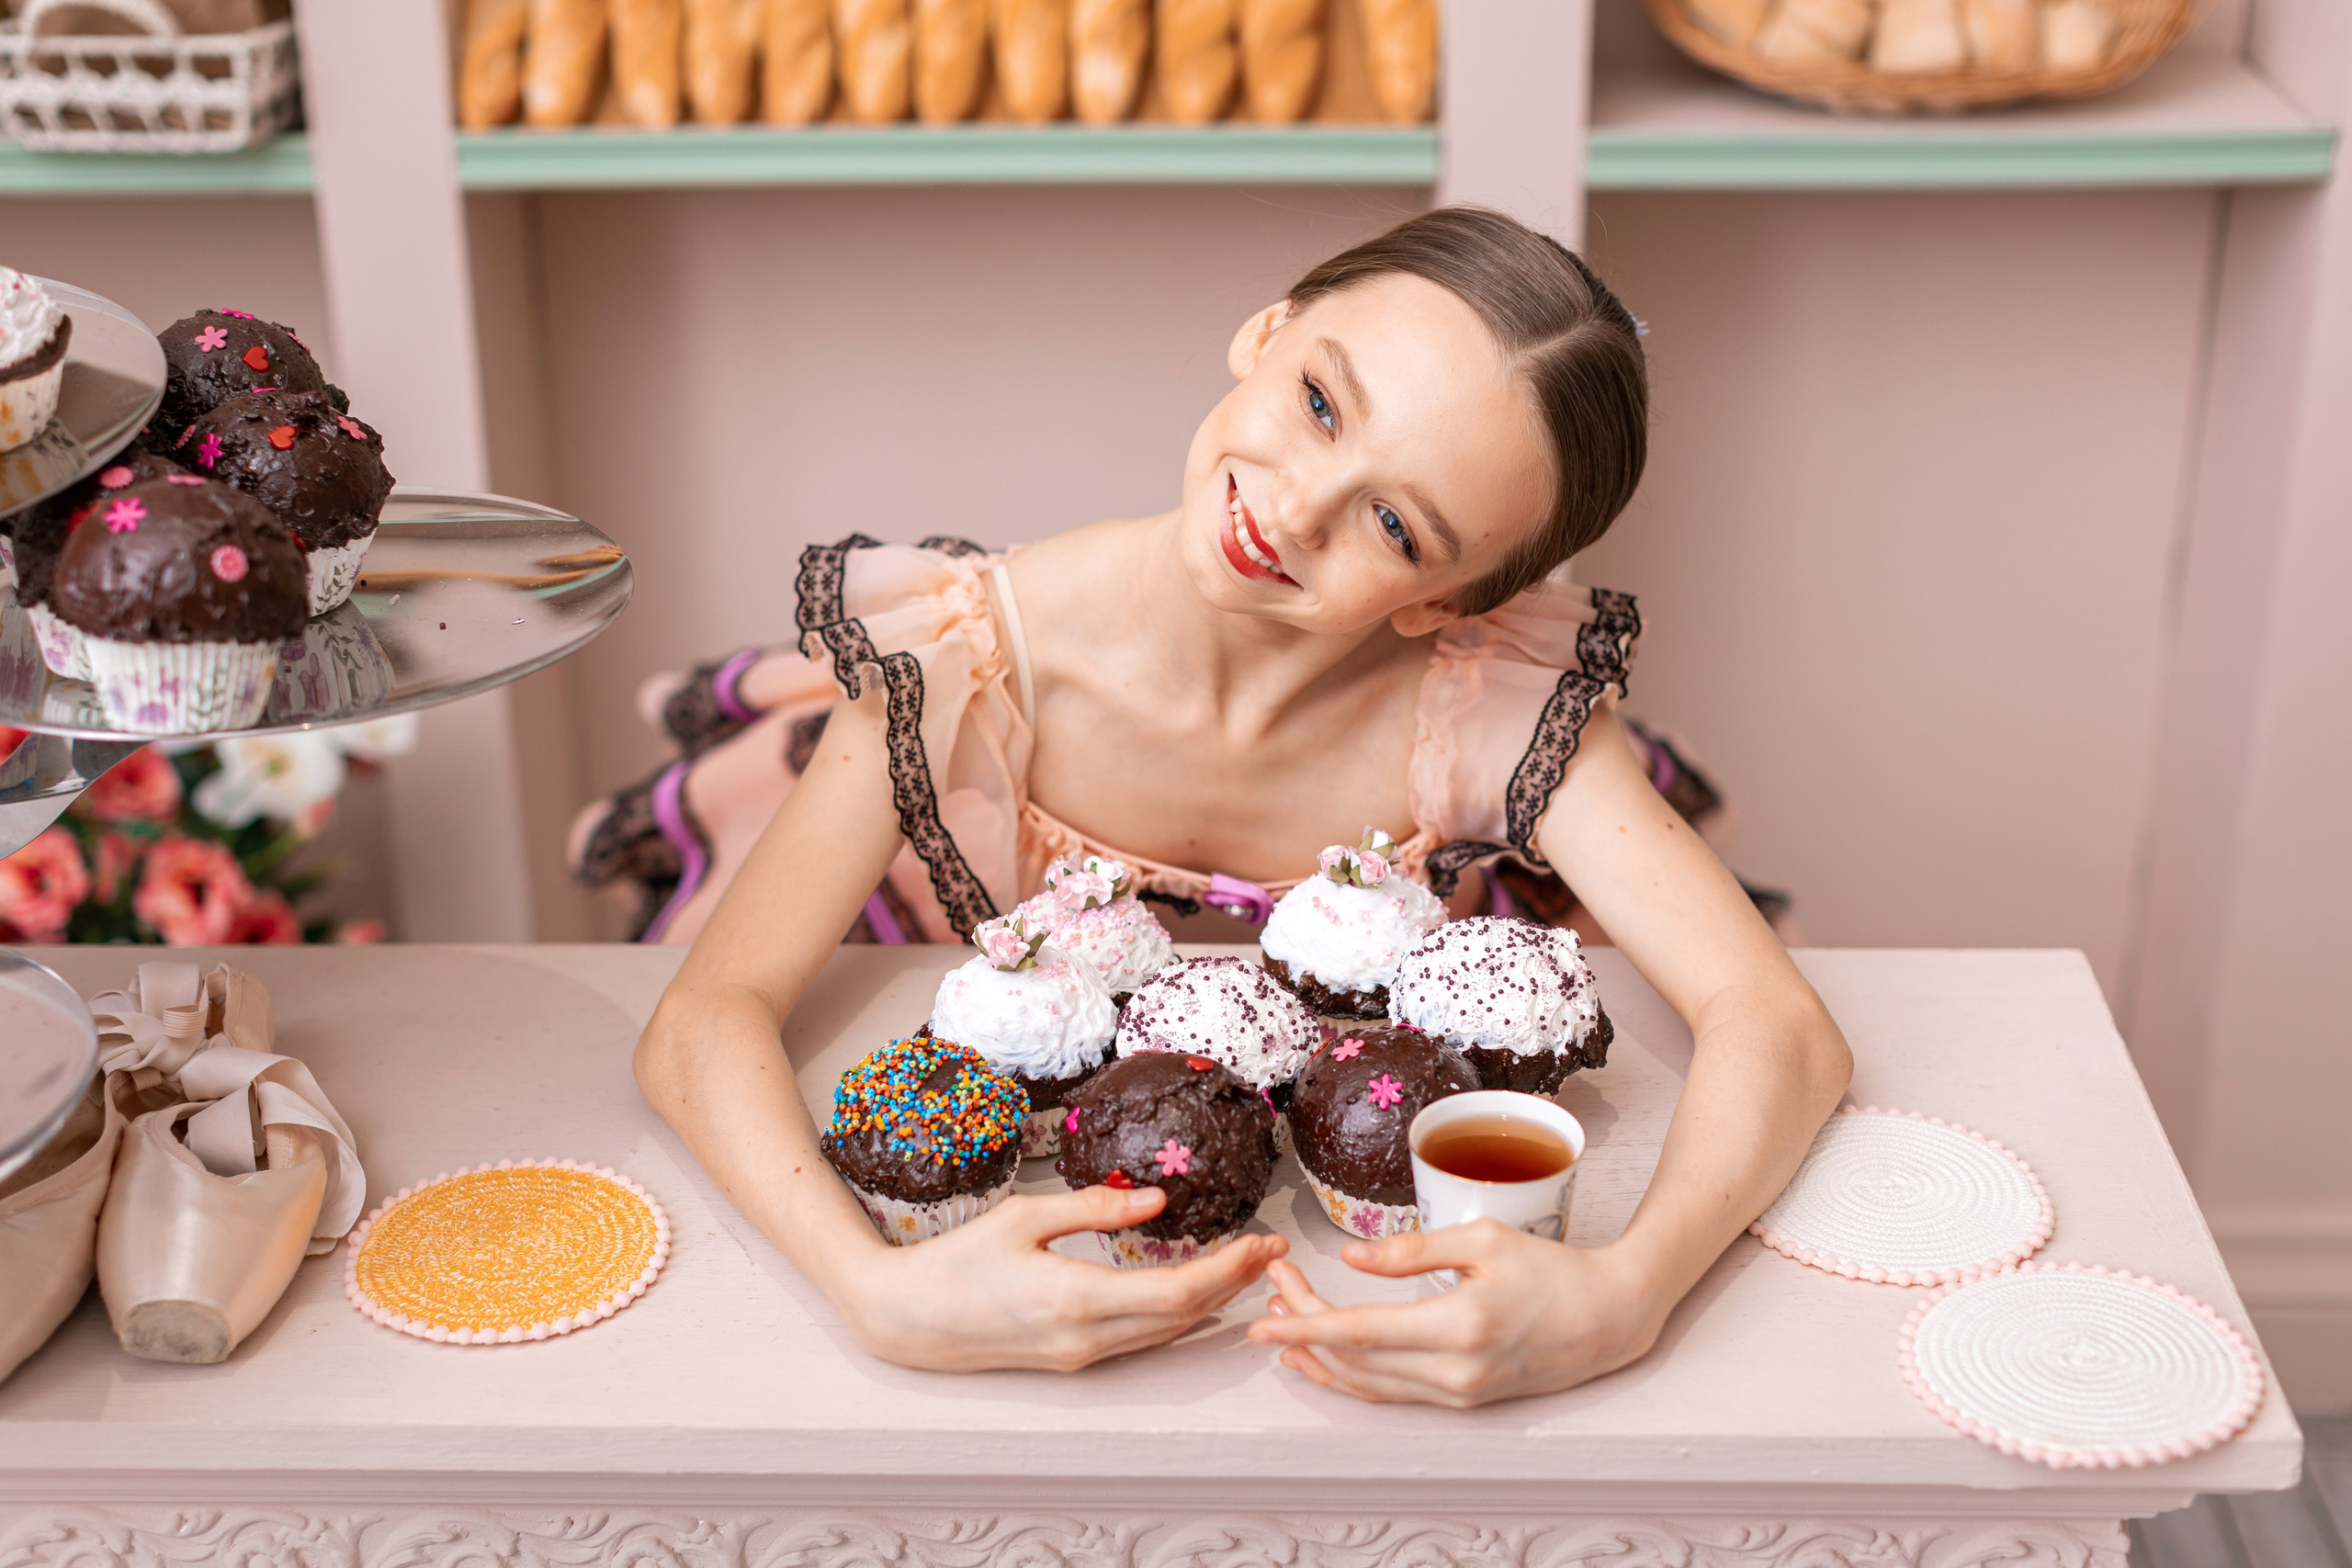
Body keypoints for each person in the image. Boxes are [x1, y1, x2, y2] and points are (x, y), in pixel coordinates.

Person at [625, 206, 1853, 1406]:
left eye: (1395, 525)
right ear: (1267, 330)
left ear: (1448, 601)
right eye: (1320, 403)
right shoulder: (957, 661)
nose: (1296, 509)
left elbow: (1782, 1028)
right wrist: (871, 1289)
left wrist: (1630, 1291)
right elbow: (702, 1019)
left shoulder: (1491, 707)